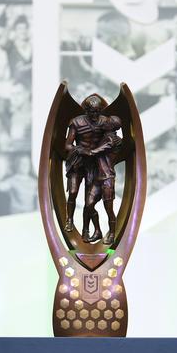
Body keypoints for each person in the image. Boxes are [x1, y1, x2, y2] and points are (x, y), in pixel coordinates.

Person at [64, 94, 122, 245]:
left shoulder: (109, 133)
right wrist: (81, 150)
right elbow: (68, 145)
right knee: (74, 192)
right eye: (92, 112)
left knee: (91, 203)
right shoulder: (76, 122)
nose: (96, 116)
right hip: (79, 161)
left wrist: (91, 152)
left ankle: (91, 230)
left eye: (98, 112)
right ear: (86, 111)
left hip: (97, 169)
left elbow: (106, 146)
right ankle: (70, 219)